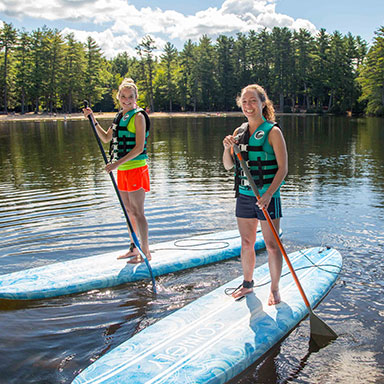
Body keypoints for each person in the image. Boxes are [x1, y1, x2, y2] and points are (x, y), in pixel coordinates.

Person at [222, 84, 288, 305]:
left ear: (262, 103)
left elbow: (283, 168)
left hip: (267, 197)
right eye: (244, 102)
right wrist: (226, 148)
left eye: (253, 101)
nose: (248, 106)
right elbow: (228, 166)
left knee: (271, 244)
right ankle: (248, 284)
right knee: (247, 241)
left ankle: (275, 289)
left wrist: (269, 194)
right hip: (244, 195)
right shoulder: (238, 133)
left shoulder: (273, 132)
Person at [83, 78, 151, 263]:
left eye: (130, 97)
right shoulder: (120, 117)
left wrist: (115, 164)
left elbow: (138, 148)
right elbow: (106, 138)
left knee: (138, 212)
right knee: (128, 211)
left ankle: (145, 251)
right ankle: (133, 247)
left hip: (136, 169)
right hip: (123, 170)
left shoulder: (138, 116)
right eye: (123, 96)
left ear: (136, 98)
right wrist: (92, 119)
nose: (126, 100)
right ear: (118, 97)